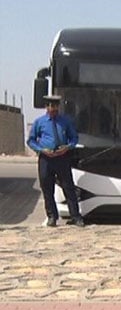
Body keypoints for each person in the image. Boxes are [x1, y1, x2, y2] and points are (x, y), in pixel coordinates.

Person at [27, 95, 85, 227]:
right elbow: (31, 140)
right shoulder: (39, 122)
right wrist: (41, 150)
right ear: (46, 107)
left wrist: (68, 147)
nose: (52, 108)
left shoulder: (65, 121)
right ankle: (52, 216)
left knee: (68, 187)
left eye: (55, 106)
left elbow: (74, 138)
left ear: (58, 107)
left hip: (62, 158)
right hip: (46, 159)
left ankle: (76, 216)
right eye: (50, 106)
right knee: (47, 188)